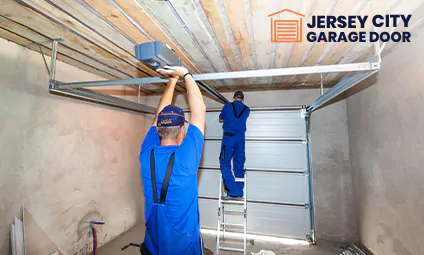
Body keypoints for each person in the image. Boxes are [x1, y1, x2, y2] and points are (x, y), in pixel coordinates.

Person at [139, 66, 206, 255]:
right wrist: (185, 72)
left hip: (153, 245)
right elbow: (199, 109)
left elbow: (158, 117)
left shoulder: (146, 153)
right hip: (183, 249)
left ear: (158, 129)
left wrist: (173, 81)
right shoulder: (186, 159)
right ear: (182, 131)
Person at [218, 91, 250, 198]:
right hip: (240, 139)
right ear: (243, 99)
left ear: (233, 97)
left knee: (225, 162)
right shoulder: (247, 109)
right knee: (239, 163)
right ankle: (239, 189)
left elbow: (220, 118)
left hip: (229, 138)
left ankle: (233, 191)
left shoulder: (227, 106)